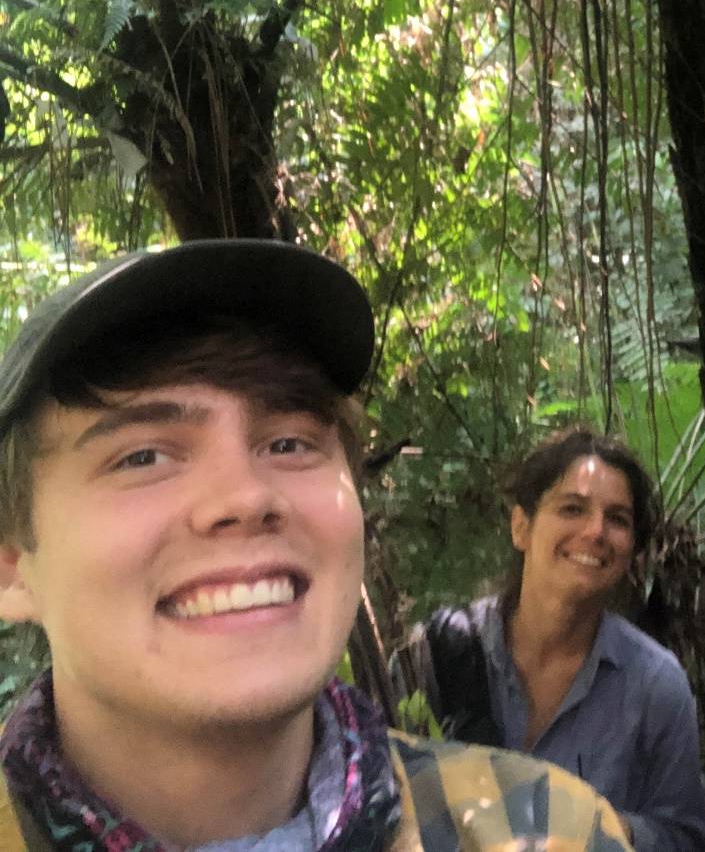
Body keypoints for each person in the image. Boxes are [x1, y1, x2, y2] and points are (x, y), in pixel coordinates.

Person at [0, 239, 633, 851]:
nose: (246, 497)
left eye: (289, 443)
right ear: (10, 564)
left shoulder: (549, 829)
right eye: (142, 456)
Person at [405, 427, 705, 852]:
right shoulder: (441, 651)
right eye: (572, 508)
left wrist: (592, 826)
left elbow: (686, 840)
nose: (596, 531)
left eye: (617, 519)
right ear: (520, 527)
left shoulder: (656, 686)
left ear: (632, 549)